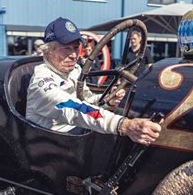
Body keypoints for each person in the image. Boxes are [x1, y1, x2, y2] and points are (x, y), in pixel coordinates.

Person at [26, 17, 162, 145]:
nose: (74, 55)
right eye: (66, 48)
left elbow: (85, 99)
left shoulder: (74, 71)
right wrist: (124, 125)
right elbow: (74, 109)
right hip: (53, 142)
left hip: (75, 132)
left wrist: (107, 100)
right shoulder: (41, 82)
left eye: (75, 47)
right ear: (48, 51)